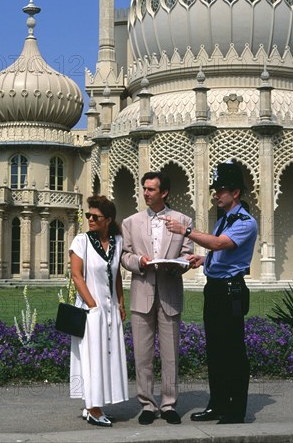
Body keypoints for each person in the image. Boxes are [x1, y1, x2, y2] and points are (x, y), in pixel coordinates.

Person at [163, 162, 258, 424]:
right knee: (215, 350)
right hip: (215, 289)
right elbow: (220, 251)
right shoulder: (224, 219)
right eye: (215, 189)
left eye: (221, 190)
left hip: (231, 291)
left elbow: (220, 243)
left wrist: (187, 231)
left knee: (233, 351)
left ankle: (235, 410)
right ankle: (217, 404)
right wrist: (203, 260)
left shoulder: (245, 222)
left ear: (236, 192)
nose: (216, 194)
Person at [121, 171, 193, 425]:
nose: (145, 193)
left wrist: (178, 264)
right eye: (144, 188)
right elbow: (125, 257)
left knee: (171, 354)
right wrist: (138, 261)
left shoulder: (182, 220)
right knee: (142, 354)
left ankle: (169, 403)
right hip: (142, 293)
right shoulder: (130, 222)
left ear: (164, 193)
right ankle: (147, 405)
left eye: (151, 189)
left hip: (170, 293)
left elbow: (187, 255)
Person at [69, 195, 128, 427]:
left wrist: (121, 303)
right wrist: (93, 306)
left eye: (96, 216)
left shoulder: (118, 241)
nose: (90, 219)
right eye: (88, 216)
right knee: (91, 357)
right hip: (90, 310)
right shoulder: (81, 241)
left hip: (111, 310)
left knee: (106, 355)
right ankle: (93, 409)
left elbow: (116, 277)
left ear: (108, 219)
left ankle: (94, 405)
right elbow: (76, 275)